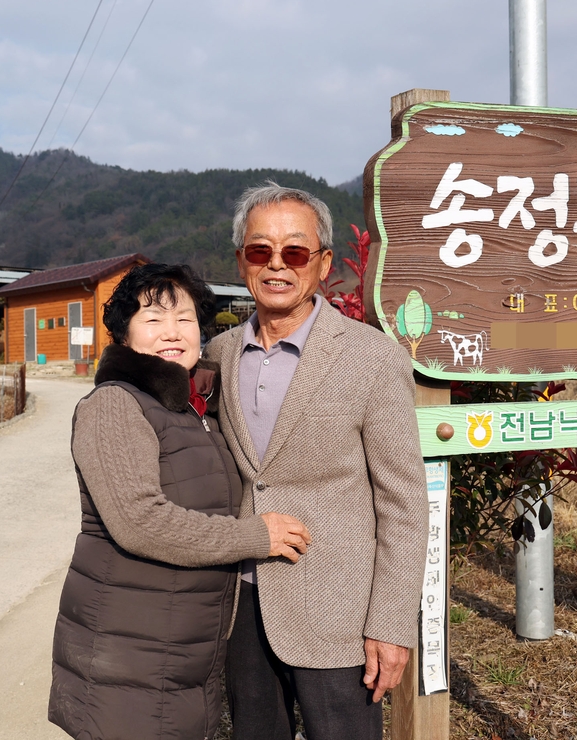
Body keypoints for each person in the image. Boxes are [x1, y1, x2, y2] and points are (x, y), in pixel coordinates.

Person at [49, 263, 312, 740]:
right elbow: (140, 521)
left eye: (185, 319)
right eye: (153, 319)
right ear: (125, 336)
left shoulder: (196, 411)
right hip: (132, 652)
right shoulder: (115, 405)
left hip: (180, 652)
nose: (172, 332)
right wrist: (258, 535)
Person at [204, 182, 428, 740]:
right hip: (240, 605)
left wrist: (392, 625)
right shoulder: (218, 355)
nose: (277, 265)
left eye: (295, 251)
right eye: (260, 250)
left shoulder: (372, 358)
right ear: (241, 260)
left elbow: (403, 504)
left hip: (338, 612)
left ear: (323, 263)